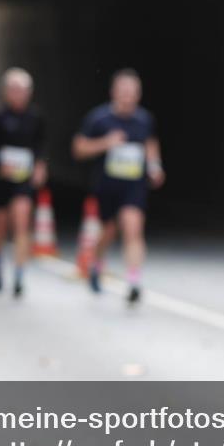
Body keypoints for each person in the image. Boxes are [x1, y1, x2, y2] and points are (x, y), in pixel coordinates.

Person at [72, 68, 165, 303]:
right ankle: (96, 263)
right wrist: (106, 143)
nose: (128, 96)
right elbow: (79, 148)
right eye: (123, 91)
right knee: (109, 231)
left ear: (138, 94)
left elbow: (150, 144)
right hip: (106, 185)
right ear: (114, 92)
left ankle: (134, 281)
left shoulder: (144, 119)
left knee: (133, 227)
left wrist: (154, 166)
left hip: (133, 185)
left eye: (133, 92)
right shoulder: (99, 118)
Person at [0, 68, 47, 297]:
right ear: (6, 92)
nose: (18, 94)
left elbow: (41, 147)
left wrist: (39, 166)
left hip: (23, 179)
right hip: (1, 180)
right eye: (14, 90)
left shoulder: (36, 117)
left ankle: (19, 273)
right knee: (0, 224)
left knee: (22, 220)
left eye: (23, 90)